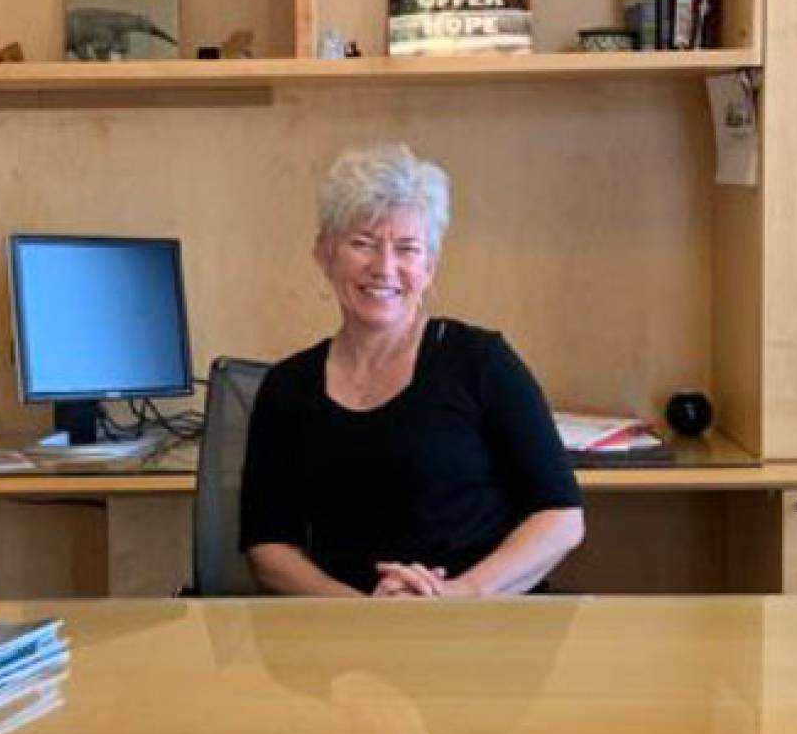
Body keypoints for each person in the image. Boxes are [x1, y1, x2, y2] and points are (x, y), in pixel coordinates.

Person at [239, 143, 585, 597]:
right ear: (325, 254)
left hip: (479, 629)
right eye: (362, 243)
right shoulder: (288, 386)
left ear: (429, 268)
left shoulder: (480, 360)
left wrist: (462, 594)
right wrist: (359, 612)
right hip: (341, 642)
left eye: (407, 248)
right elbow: (267, 545)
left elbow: (561, 516)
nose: (384, 268)